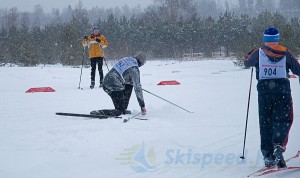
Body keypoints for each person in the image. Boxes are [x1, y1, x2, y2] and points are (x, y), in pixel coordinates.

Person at [244, 27, 300, 168]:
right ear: (277, 39)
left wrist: (249, 55)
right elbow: (298, 69)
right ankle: (279, 145)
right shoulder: (286, 53)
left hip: (264, 92)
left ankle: (268, 156)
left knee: (266, 123)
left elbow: (246, 63)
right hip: (282, 92)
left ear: (265, 40)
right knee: (284, 119)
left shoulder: (258, 52)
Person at [90, 52, 147, 117]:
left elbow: (124, 75)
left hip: (107, 82)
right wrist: (142, 105)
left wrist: (132, 82)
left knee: (130, 85)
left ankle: (123, 108)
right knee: (119, 111)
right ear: (141, 62)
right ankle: (100, 112)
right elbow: (138, 87)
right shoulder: (134, 69)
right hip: (113, 85)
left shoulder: (127, 59)